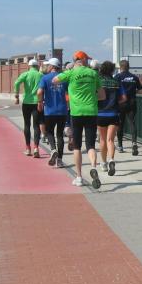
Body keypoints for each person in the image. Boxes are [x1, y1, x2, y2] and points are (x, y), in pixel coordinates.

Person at [53, 51, 105, 187]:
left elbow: (55, 80)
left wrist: (68, 70)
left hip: (76, 113)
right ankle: (93, 167)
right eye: (86, 59)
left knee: (77, 146)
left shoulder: (70, 73)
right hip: (91, 112)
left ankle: (79, 177)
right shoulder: (93, 73)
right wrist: (92, 96)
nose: (88, 61)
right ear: (82, 60)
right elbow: (102, 96)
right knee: (91, 145)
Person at [96, 61, 126, 177]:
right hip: (114, 113)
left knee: (102, 140)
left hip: (101, 113)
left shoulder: (98, 82)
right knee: (110, 140)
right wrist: (116, 103)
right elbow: (124, 98)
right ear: (112, 70)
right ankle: (111, 159)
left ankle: (103, 163)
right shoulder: (116, 82)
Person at [37, 58, 69, 168]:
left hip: (49, 111)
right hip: (62, 110)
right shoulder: (64, 78)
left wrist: (40, 102)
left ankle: (53, 149)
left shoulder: (45, 78)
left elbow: (39, 92)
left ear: (51, 66)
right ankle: (59, 160)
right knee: (60, 135)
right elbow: (68, 93)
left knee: (49, 132)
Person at [13, 58, 43, 157]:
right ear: (37, 66)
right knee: (36, 126)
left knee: (27, 125)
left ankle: (28, 148)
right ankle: (36, 148)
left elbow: (16, 83)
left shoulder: (25, 74)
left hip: (26, 102)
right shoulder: (40, 75)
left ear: (29, 66)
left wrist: (17, 95)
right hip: (37, 102)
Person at [115, 60, 142, 154]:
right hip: (132, 103)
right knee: (132, 123)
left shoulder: (117, 77)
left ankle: (120, 146)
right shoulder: (134, 77)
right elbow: (140, 90)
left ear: (120, 67)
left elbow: (114, 89)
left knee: (120, 124)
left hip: (121, 103)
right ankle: (134, 143)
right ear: (128, 67)